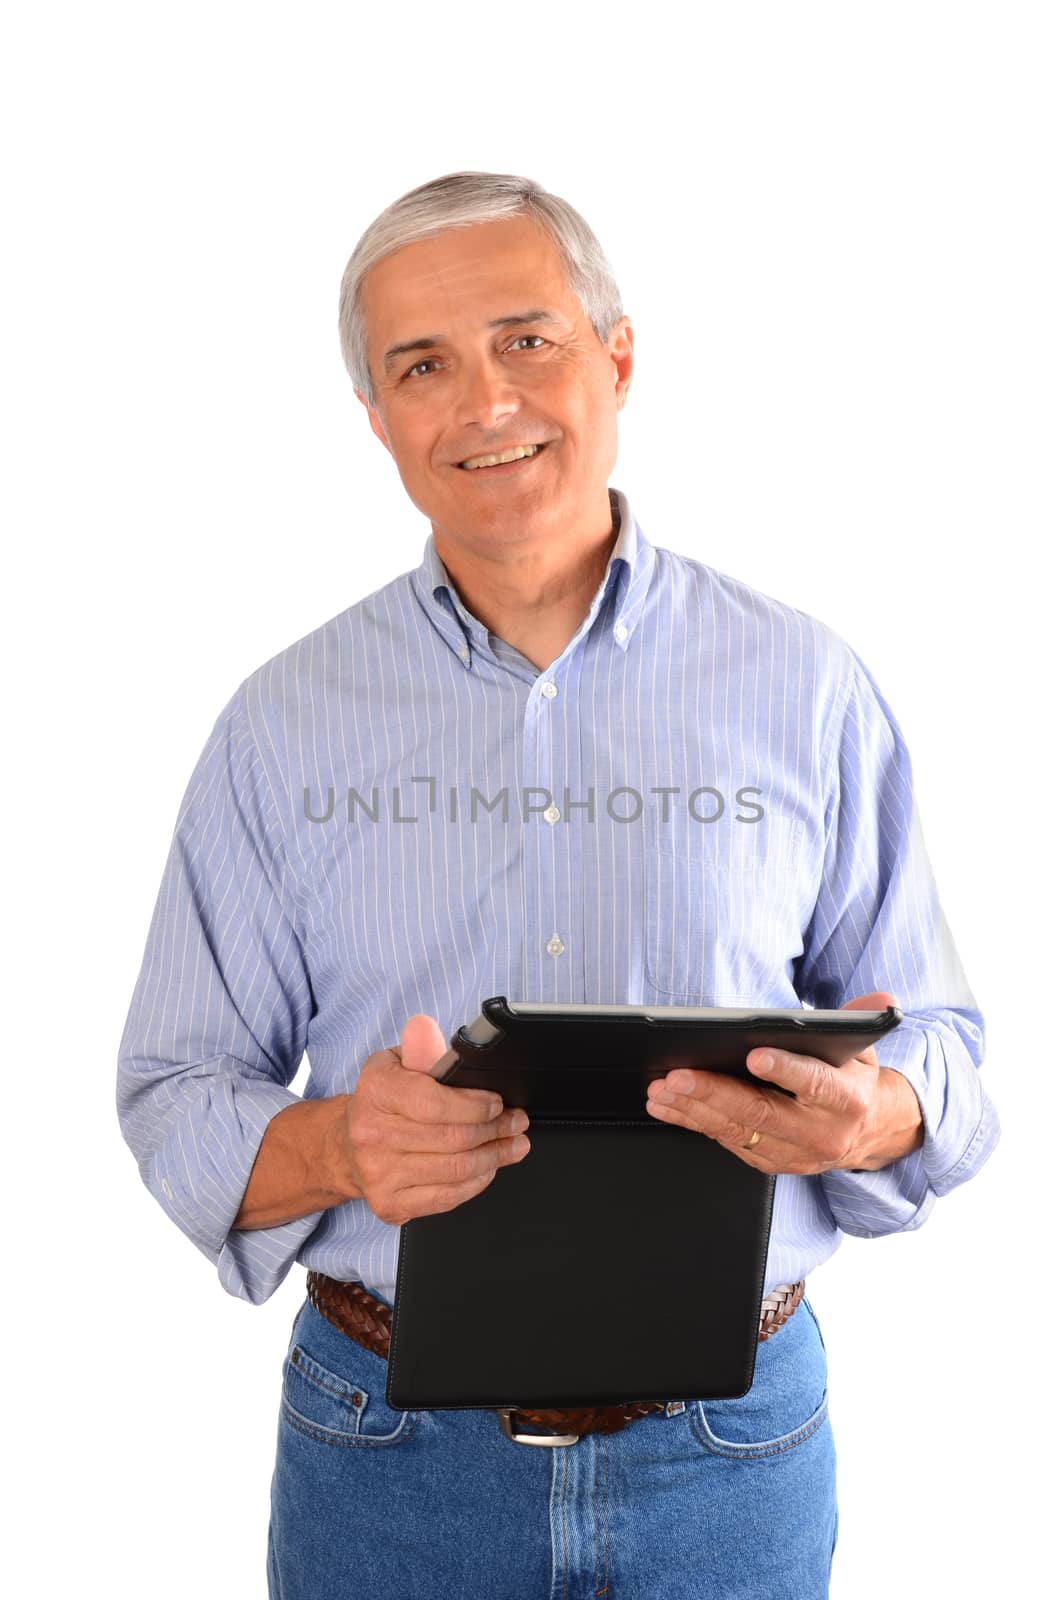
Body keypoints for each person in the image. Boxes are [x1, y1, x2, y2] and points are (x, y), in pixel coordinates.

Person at [116, 170, 1000, 1599]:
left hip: (730, 1460)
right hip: (387, 1464)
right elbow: (173, 1092)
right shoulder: (280, 729)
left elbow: (950, 1061)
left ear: (619, 358)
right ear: (380, 420)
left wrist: (876, 1111)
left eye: (527, 339)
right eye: (423, 366)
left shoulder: (806, 688)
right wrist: (343, 1148)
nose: (483, 402)